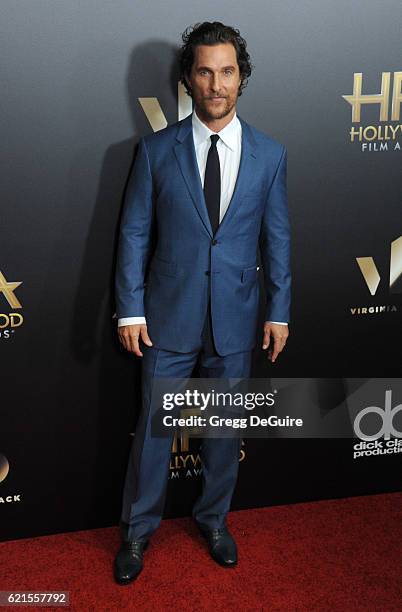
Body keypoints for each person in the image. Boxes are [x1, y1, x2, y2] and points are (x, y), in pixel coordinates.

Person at [113, 21, 291, 584]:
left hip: (237, 319)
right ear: (188, 79)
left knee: (223, 433)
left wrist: (279, 309)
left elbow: (278, 238)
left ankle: (214, 521)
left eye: (228, 71)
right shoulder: (155, 151)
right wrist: (131, 309)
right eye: (205, 71)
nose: (217, 83)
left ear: (242, 78)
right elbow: (135, 233)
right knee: (153, 433)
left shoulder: (270, 154)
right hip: (167, 318)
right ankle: (137, 534)